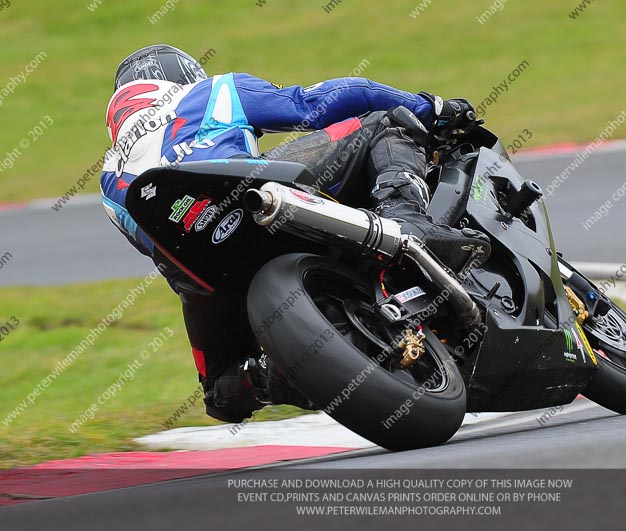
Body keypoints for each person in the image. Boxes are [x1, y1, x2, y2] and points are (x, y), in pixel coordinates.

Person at [100, 44, 490, 423]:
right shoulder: (210, 91)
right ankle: (407, 218)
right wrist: (432, 108)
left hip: (198, 266)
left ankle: (272, 374)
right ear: (181, 76)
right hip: (250, 190)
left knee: (222, 391)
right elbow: (317, 103)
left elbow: (152, 246)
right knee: (386, 121)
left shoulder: (108, 179)